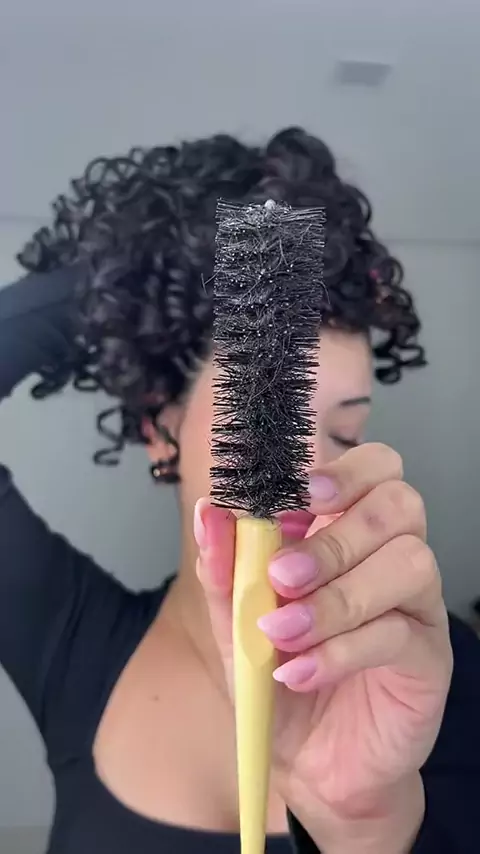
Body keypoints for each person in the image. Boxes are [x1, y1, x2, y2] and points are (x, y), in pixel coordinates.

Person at [0, 127, 479, 854]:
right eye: (262, 411)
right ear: (159, 428)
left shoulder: (430, 670)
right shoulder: (70, 642)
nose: (304, 467)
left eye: (344, 432)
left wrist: (365, 826)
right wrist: (131, 271)